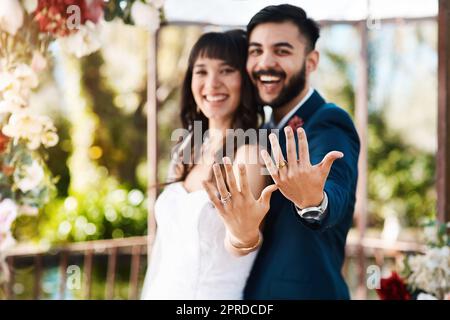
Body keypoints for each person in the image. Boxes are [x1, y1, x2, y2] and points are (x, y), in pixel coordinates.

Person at [205, 5, 361, 299]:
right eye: (255, 51)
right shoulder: (259, 132)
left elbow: (334, 188)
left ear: (311, 61)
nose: (265, 62)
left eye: (282, 51)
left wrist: (314, 200)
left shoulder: (328, 121)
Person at [140, 29, 278, 300]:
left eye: (226, 70)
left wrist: (243, 235)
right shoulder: (188, 149)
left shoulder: (249, 154)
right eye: (201, 71)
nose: (212, 83)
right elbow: (163, 254)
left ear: (246, 81)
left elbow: (242, 242)